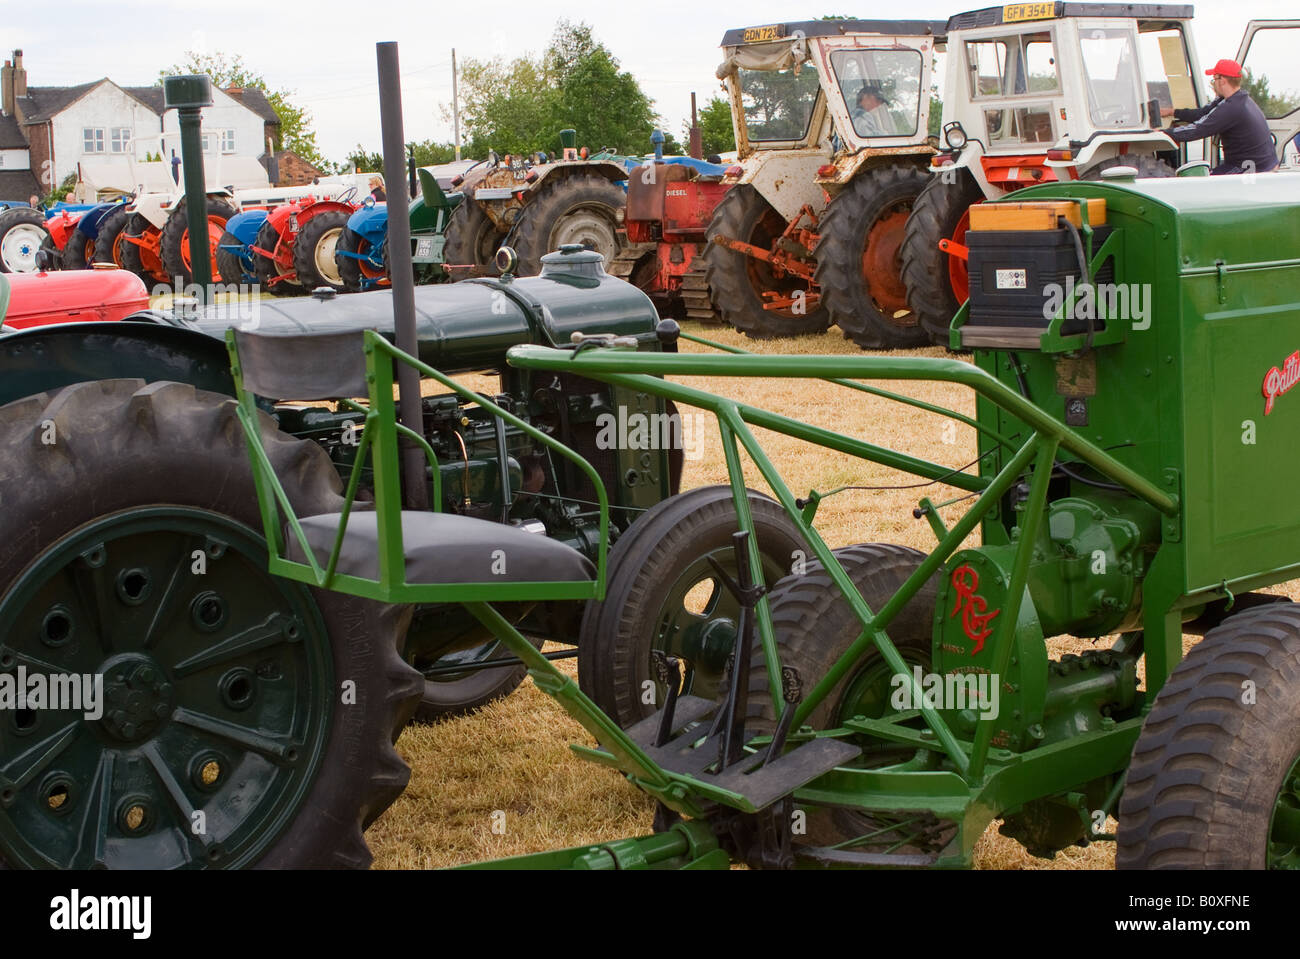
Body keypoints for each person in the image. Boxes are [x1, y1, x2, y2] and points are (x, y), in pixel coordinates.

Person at [1161, 59, 1278, 175]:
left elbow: (1197, 130)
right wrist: (1173, 112)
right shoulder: (1239, 98)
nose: (1213, 83)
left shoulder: (1232, 107)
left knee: (1202, 184)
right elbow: (1202, 114)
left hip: (1251, 169)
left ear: (1222, 80)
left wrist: (1162, 134)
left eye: (1214, 79)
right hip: (1264, 164)